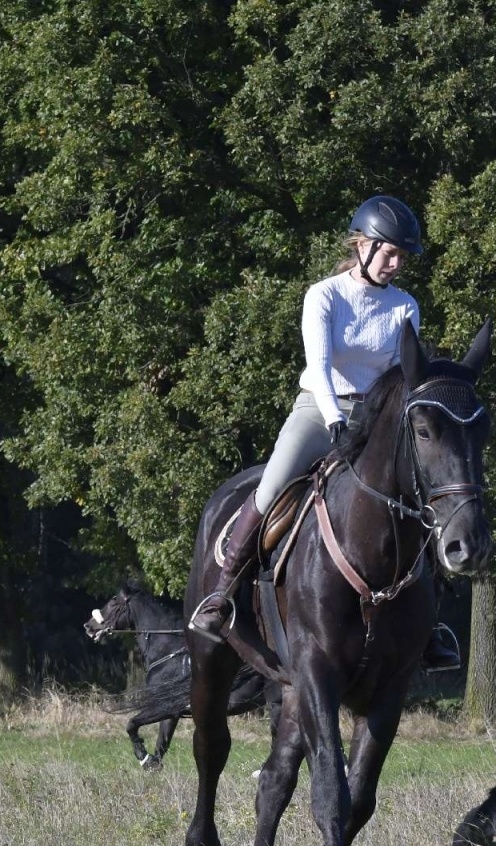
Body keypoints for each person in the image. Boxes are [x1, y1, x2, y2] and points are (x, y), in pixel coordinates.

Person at [188, 195, 460, 670]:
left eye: (402, 257)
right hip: (319, 410)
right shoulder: (325, 295)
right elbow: (317, 368)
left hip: (379, 419)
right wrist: (336, 419)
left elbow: (402, 377)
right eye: (390, 253)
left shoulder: (405, 307)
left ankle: (429, 626)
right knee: (272, 485)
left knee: (422, 497)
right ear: (363, 246)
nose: (396, 264)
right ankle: (221, 593)